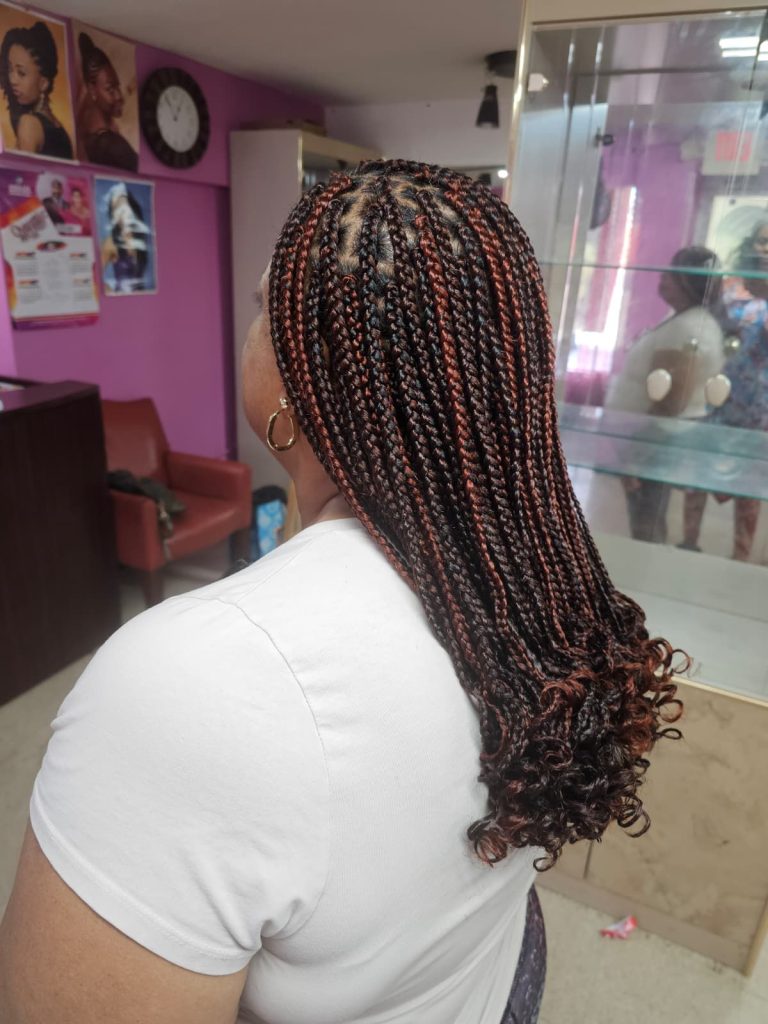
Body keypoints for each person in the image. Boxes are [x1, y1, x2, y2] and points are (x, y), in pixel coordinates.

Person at [0, 161, 683, 1024]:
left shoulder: (189, 689)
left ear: (300, 376)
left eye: (265, 306)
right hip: (500, 980)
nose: (250, 326)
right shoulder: (544, 579)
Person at [604, 246, 724, 544]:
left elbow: (670, 401)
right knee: (647, 516)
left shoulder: (689, 328)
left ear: (689, 281)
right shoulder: (685, 321)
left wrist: (635, 456)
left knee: (647, 519)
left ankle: (645, 568)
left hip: (655, 437)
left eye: (673, 273)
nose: (663, 278)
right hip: (653, 435)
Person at [680, 223, 768, 561]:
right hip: (714, 396)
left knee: (749, 486)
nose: (764, 249)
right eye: (761, 241)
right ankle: (688, 542)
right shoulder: (730, 289)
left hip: (758, 406)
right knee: (697, 473)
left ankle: (740, 557)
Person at [0, 21, 73, 160]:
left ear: (43, 83)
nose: (12, 80)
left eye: (21, 73)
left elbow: (22, 172)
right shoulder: (57, 127)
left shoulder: (29, 123)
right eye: (10, 70)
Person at [76, 32, 138, 172]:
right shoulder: (111, 145)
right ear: (92, 90)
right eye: (110, 89)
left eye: (117, 87)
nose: (118, 95)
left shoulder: (92, 138)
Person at [100, 181, 151, 292]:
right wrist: (110, 292)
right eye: (116, 209)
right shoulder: (110, 242)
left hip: (144, 300)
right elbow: (93, 277)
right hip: (122, 300)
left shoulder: (141, 239)